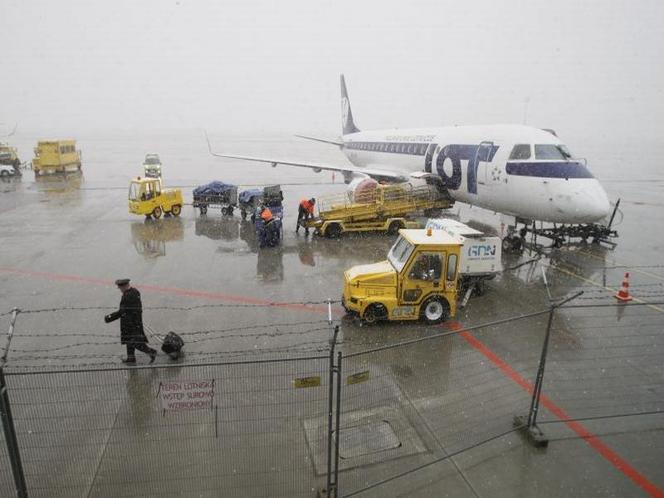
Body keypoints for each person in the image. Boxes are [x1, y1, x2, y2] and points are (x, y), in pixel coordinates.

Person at [104, 279, 157, 364]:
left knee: (135, 342)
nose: (119, 289)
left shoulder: (127, 296)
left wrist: (109, 317)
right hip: (134, 321)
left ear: (124, 286)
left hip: (130, 323)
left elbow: (122, 311)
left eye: (120, 287)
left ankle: (151, 352)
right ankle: (131, 358)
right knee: (129, 340)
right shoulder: (134, 291)